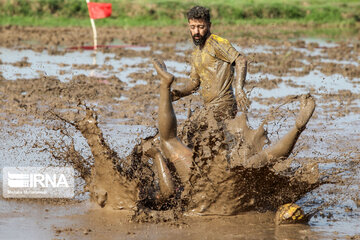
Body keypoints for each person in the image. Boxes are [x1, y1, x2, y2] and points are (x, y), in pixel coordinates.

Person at [152, 58, 316, 200]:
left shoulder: (160, 200)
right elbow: (168, 192)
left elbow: (168, 193)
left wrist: (158, 159)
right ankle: (297, 129)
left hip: (207, 187)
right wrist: (157, 155)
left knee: (257, 163)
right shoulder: (163, 191)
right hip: (209, 180)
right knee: (169, 140)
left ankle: (297, 129)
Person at [170, 6, 249, 120]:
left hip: (224, 104)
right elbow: (194, 84)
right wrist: (179, 94)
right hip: (210, 106)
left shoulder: (217, 42)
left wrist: (239, 89)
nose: (196, 32)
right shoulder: (196, 53)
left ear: (209, 25)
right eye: (193, 27)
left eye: (201, 27)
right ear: (189, 26)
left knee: (192, 130)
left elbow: (241, 60)